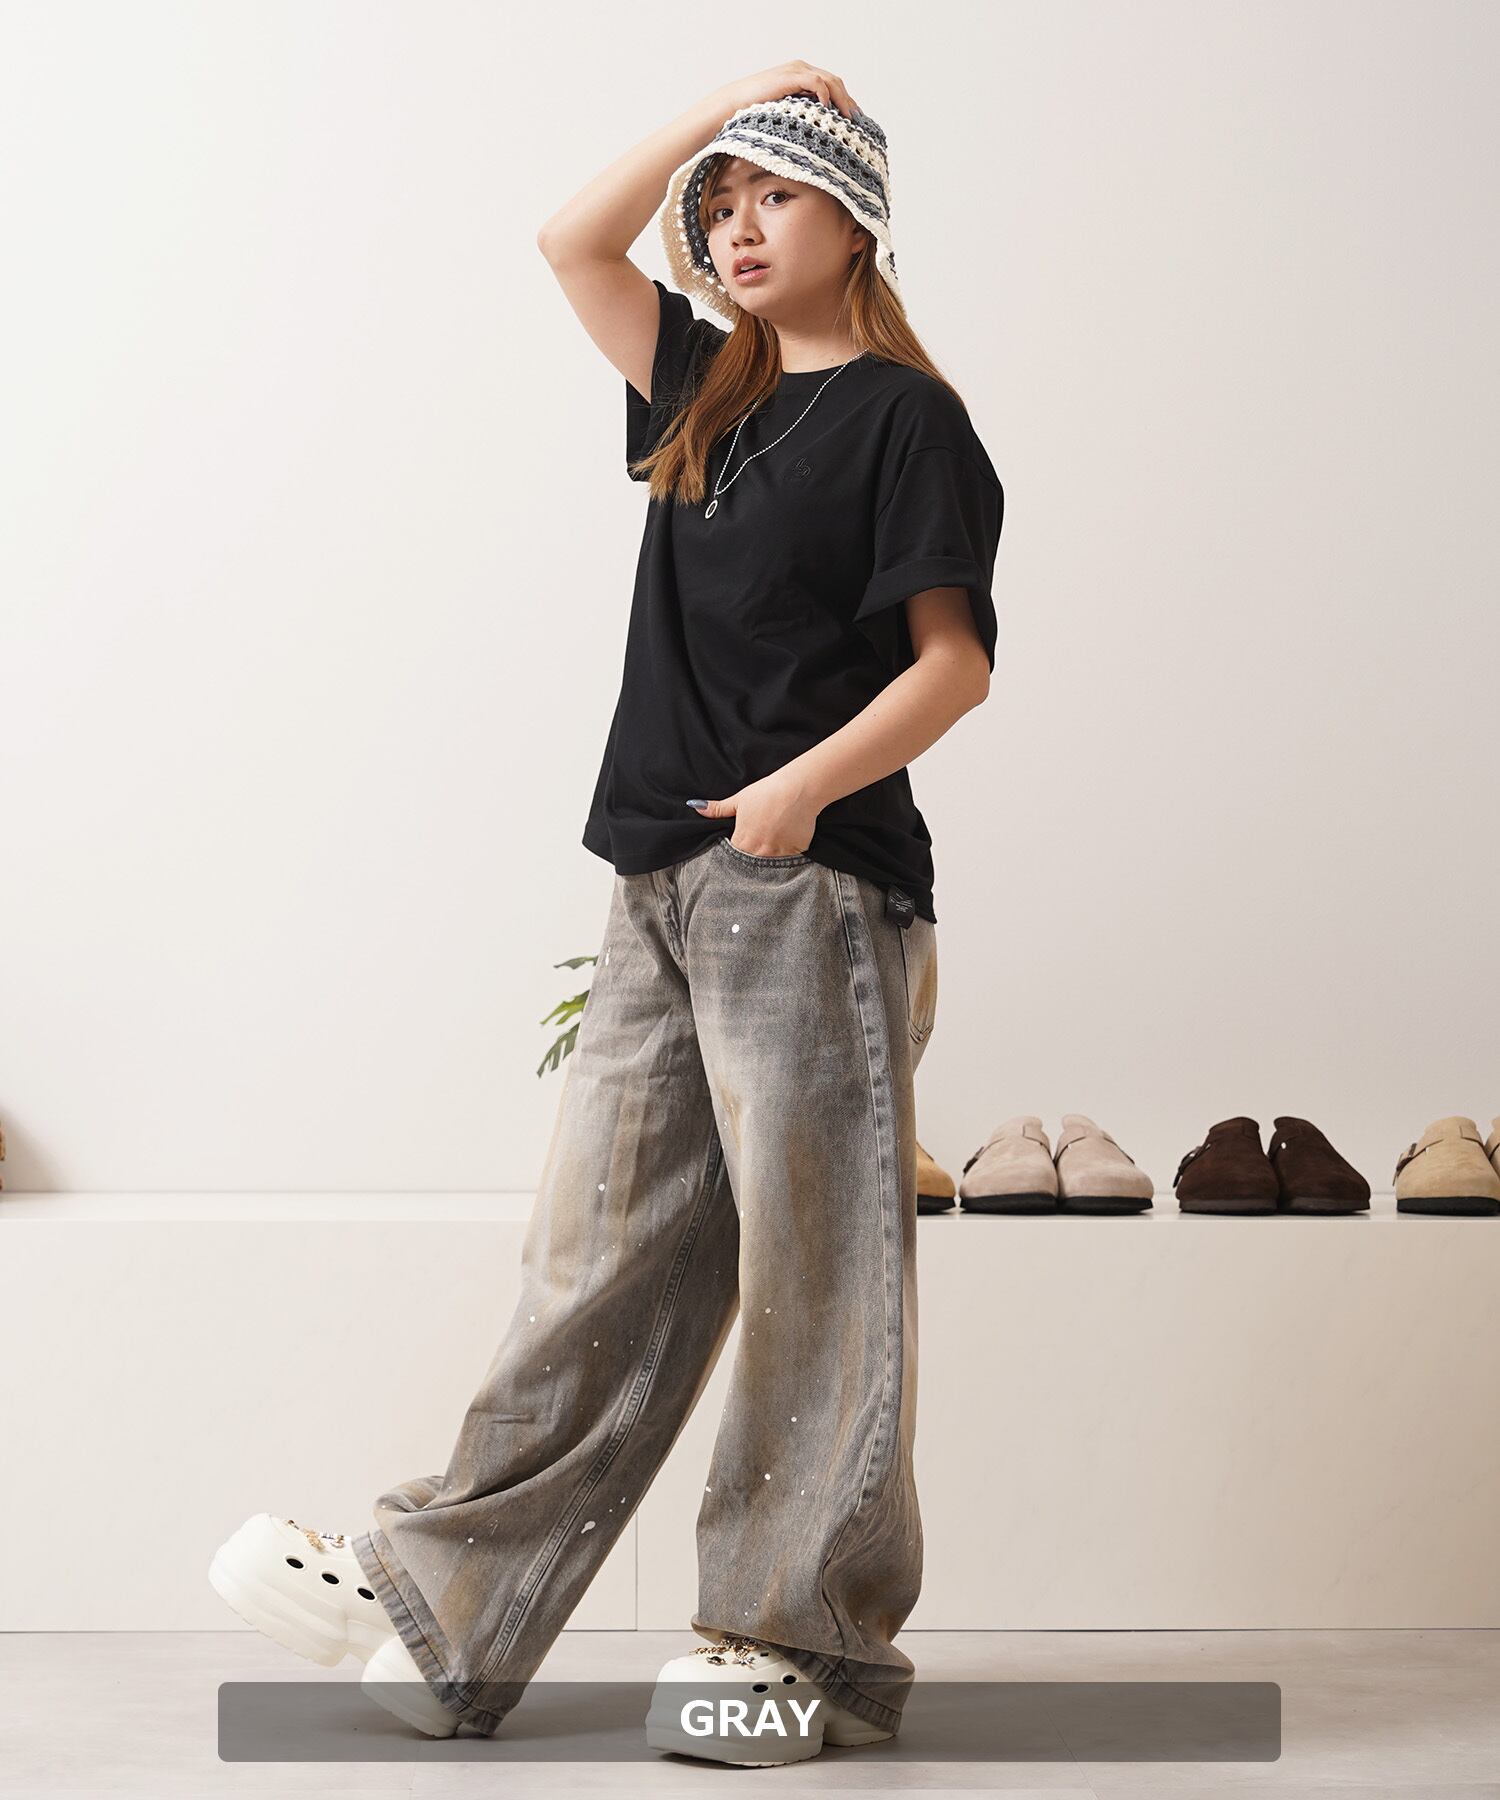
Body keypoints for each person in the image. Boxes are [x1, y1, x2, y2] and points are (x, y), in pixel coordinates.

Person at [209, 61, 1004, 1767]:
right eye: (719, 206)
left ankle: (797, 1645)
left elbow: (955, 665)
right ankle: (450, 1610)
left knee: (816, 1280)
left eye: (774, 194)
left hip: (814, 888)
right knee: (598, 1259)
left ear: (856, 217)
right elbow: (571, 238)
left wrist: (800, 790)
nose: (736, 227)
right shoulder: (704, 389)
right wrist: (736, 102)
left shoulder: (906, 421)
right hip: (655, 880)